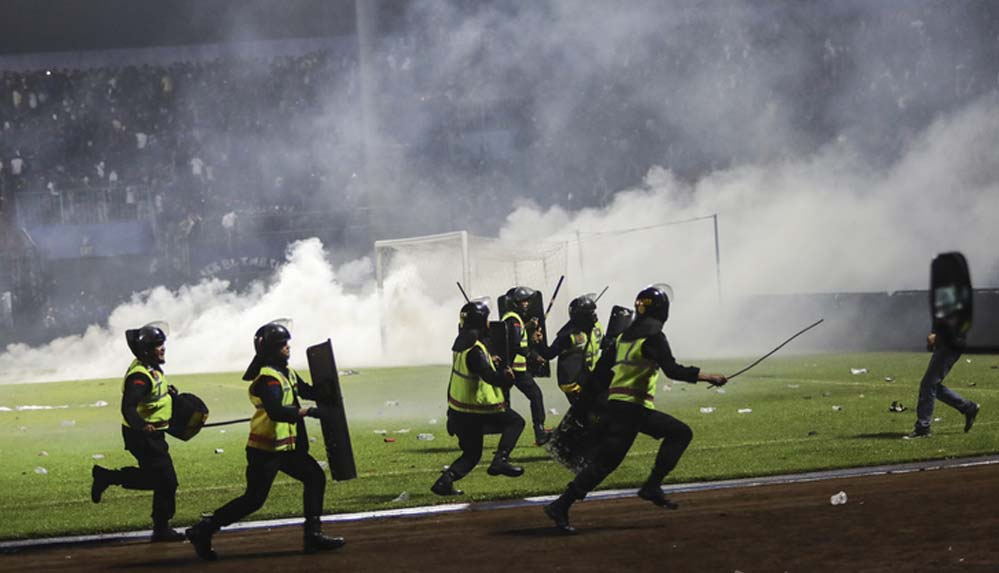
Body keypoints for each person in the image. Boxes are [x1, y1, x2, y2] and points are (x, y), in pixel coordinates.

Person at [543, 284, 728, 533]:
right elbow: (672, 370)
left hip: (617, 407)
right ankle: (564, 505)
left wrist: (583, 408)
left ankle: (565, 504)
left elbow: (599, 375)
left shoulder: (622, 338)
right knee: (617, 458)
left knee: (611, 460)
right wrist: (708, 376)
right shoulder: (654, 337)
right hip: (632, 410)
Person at [185, 321, 345, 560]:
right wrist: (308, 412)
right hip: (266, 450)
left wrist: (326, 389)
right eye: (282, 345)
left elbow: (305, 391)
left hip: (286, 449)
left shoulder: (286, 372)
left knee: (314, 477)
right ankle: (203, 530)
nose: (288, 348)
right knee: (253, 500)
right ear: (271, 350)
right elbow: (276, 411)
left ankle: (313, 535)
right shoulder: (267, 379)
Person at [90, 322, 185, 542]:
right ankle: (161, 528)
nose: (162, 348)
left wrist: (170, 394)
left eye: (162, 344)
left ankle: (107, 477)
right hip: (142, 436)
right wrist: (142, 426)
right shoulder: (140, 376)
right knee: (167, 481)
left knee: (160, 479)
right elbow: (128, 407)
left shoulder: (151, 369)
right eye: (157, 345)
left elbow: (154, 396)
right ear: (146, 349)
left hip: (152, 435)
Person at [431, 300, 526, 496]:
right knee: (516, 422)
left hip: (459, 410)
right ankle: (500, 460)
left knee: (472, 454)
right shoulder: (475, 350)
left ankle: (444, 482)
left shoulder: (460, 345)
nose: (489, 324)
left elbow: (470, 369)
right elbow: (489, 377)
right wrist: (505, 377)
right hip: (479, 409)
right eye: (487, 319)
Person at [905, 330, 980, 438]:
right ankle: (968, 407)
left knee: (928, 385)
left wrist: (939, 335)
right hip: (947, 343)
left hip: (950, 344)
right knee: (931, 385)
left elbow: (957, 321)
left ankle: (923, 427)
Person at [502, 286, 550, 445]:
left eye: (527, 301)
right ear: (515, 303)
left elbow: (515, 340)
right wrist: (534, 355)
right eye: (523, 301)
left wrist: (529, 333)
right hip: (516, 370)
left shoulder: (513, 319)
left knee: (503, 403)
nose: (526, 304)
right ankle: (539, 431)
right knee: (535, 396)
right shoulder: (514, 320)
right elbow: (516, 345)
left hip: (513, 368)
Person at [536, 294, 604, 405]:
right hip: (573, 382)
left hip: (590, 377)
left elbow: (602, 343)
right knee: (586, 410)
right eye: (590, 313)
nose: (594, 316)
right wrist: (539, 342)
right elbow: (548, 354)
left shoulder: (597, 328)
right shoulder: (567, 336)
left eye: (593, 312)